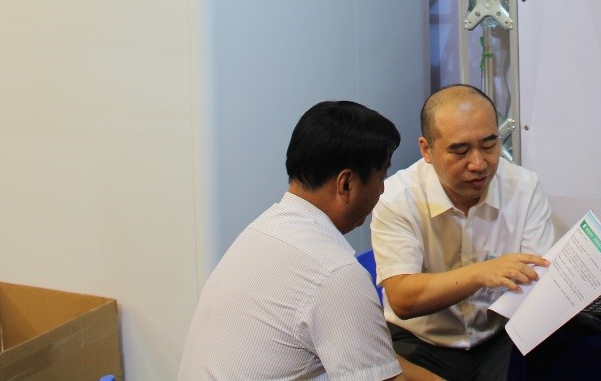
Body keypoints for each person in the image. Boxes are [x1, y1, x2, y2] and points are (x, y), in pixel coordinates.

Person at [178, 100, 438, 381]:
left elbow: (376, 359)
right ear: (346, 184)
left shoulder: (264, 230)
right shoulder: (335, 273)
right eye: (381, 176)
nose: (383, 190)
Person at [371, 85, 554, 381]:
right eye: (460, 151)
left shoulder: (524, 188)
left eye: (489, 145)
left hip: (498, 337)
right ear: (427, 150)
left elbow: (537, 281)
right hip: (418, 341)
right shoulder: (397, 198)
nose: (478, 164)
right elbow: (402, 298)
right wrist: (481, 273)